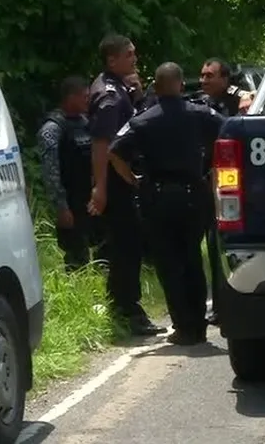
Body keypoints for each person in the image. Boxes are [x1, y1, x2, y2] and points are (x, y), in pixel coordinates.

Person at [108, 62, 224, 345]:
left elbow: (114, 151)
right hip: (193, 195)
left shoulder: (144, 120)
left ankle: (183, 326)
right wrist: (213, 170)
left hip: (158, 197)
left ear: (156, 89)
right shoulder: (201, 114)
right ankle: (198, 325)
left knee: (168, 263)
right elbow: (228, 131)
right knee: (192, 259)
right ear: (182, 85)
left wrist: (132, 179)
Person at [87, 33, 164, 336]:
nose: (135, 58)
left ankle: (121, 305)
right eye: (129, 54)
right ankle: (128, 310)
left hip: (122, 177)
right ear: (112, 60)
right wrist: (101, 188)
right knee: (127, 247)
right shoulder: (108, 96)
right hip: (116, 182)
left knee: (127, 246)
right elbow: (101, 145)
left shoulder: (120, 89)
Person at [194, 58, 255, 325]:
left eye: (210, 76)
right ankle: (217, 306)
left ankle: (227, 304)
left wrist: (246, 97)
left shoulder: (237, 98)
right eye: (202, 75)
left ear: (225, 79)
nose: (204, 80)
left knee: (222, 242)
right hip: (204, 180)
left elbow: (248, 96)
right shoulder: (200, 101)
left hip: (230, 184)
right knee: (210, 241)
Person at [37, 76, 105, 271]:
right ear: (71, 97)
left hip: (90, 198)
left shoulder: (85, 122)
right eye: (84, 97)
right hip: (70, 201)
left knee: (101, 249)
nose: (88, 101)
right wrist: (61, 207)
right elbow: (51, 172)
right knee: (77, 256)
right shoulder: (52, 129)